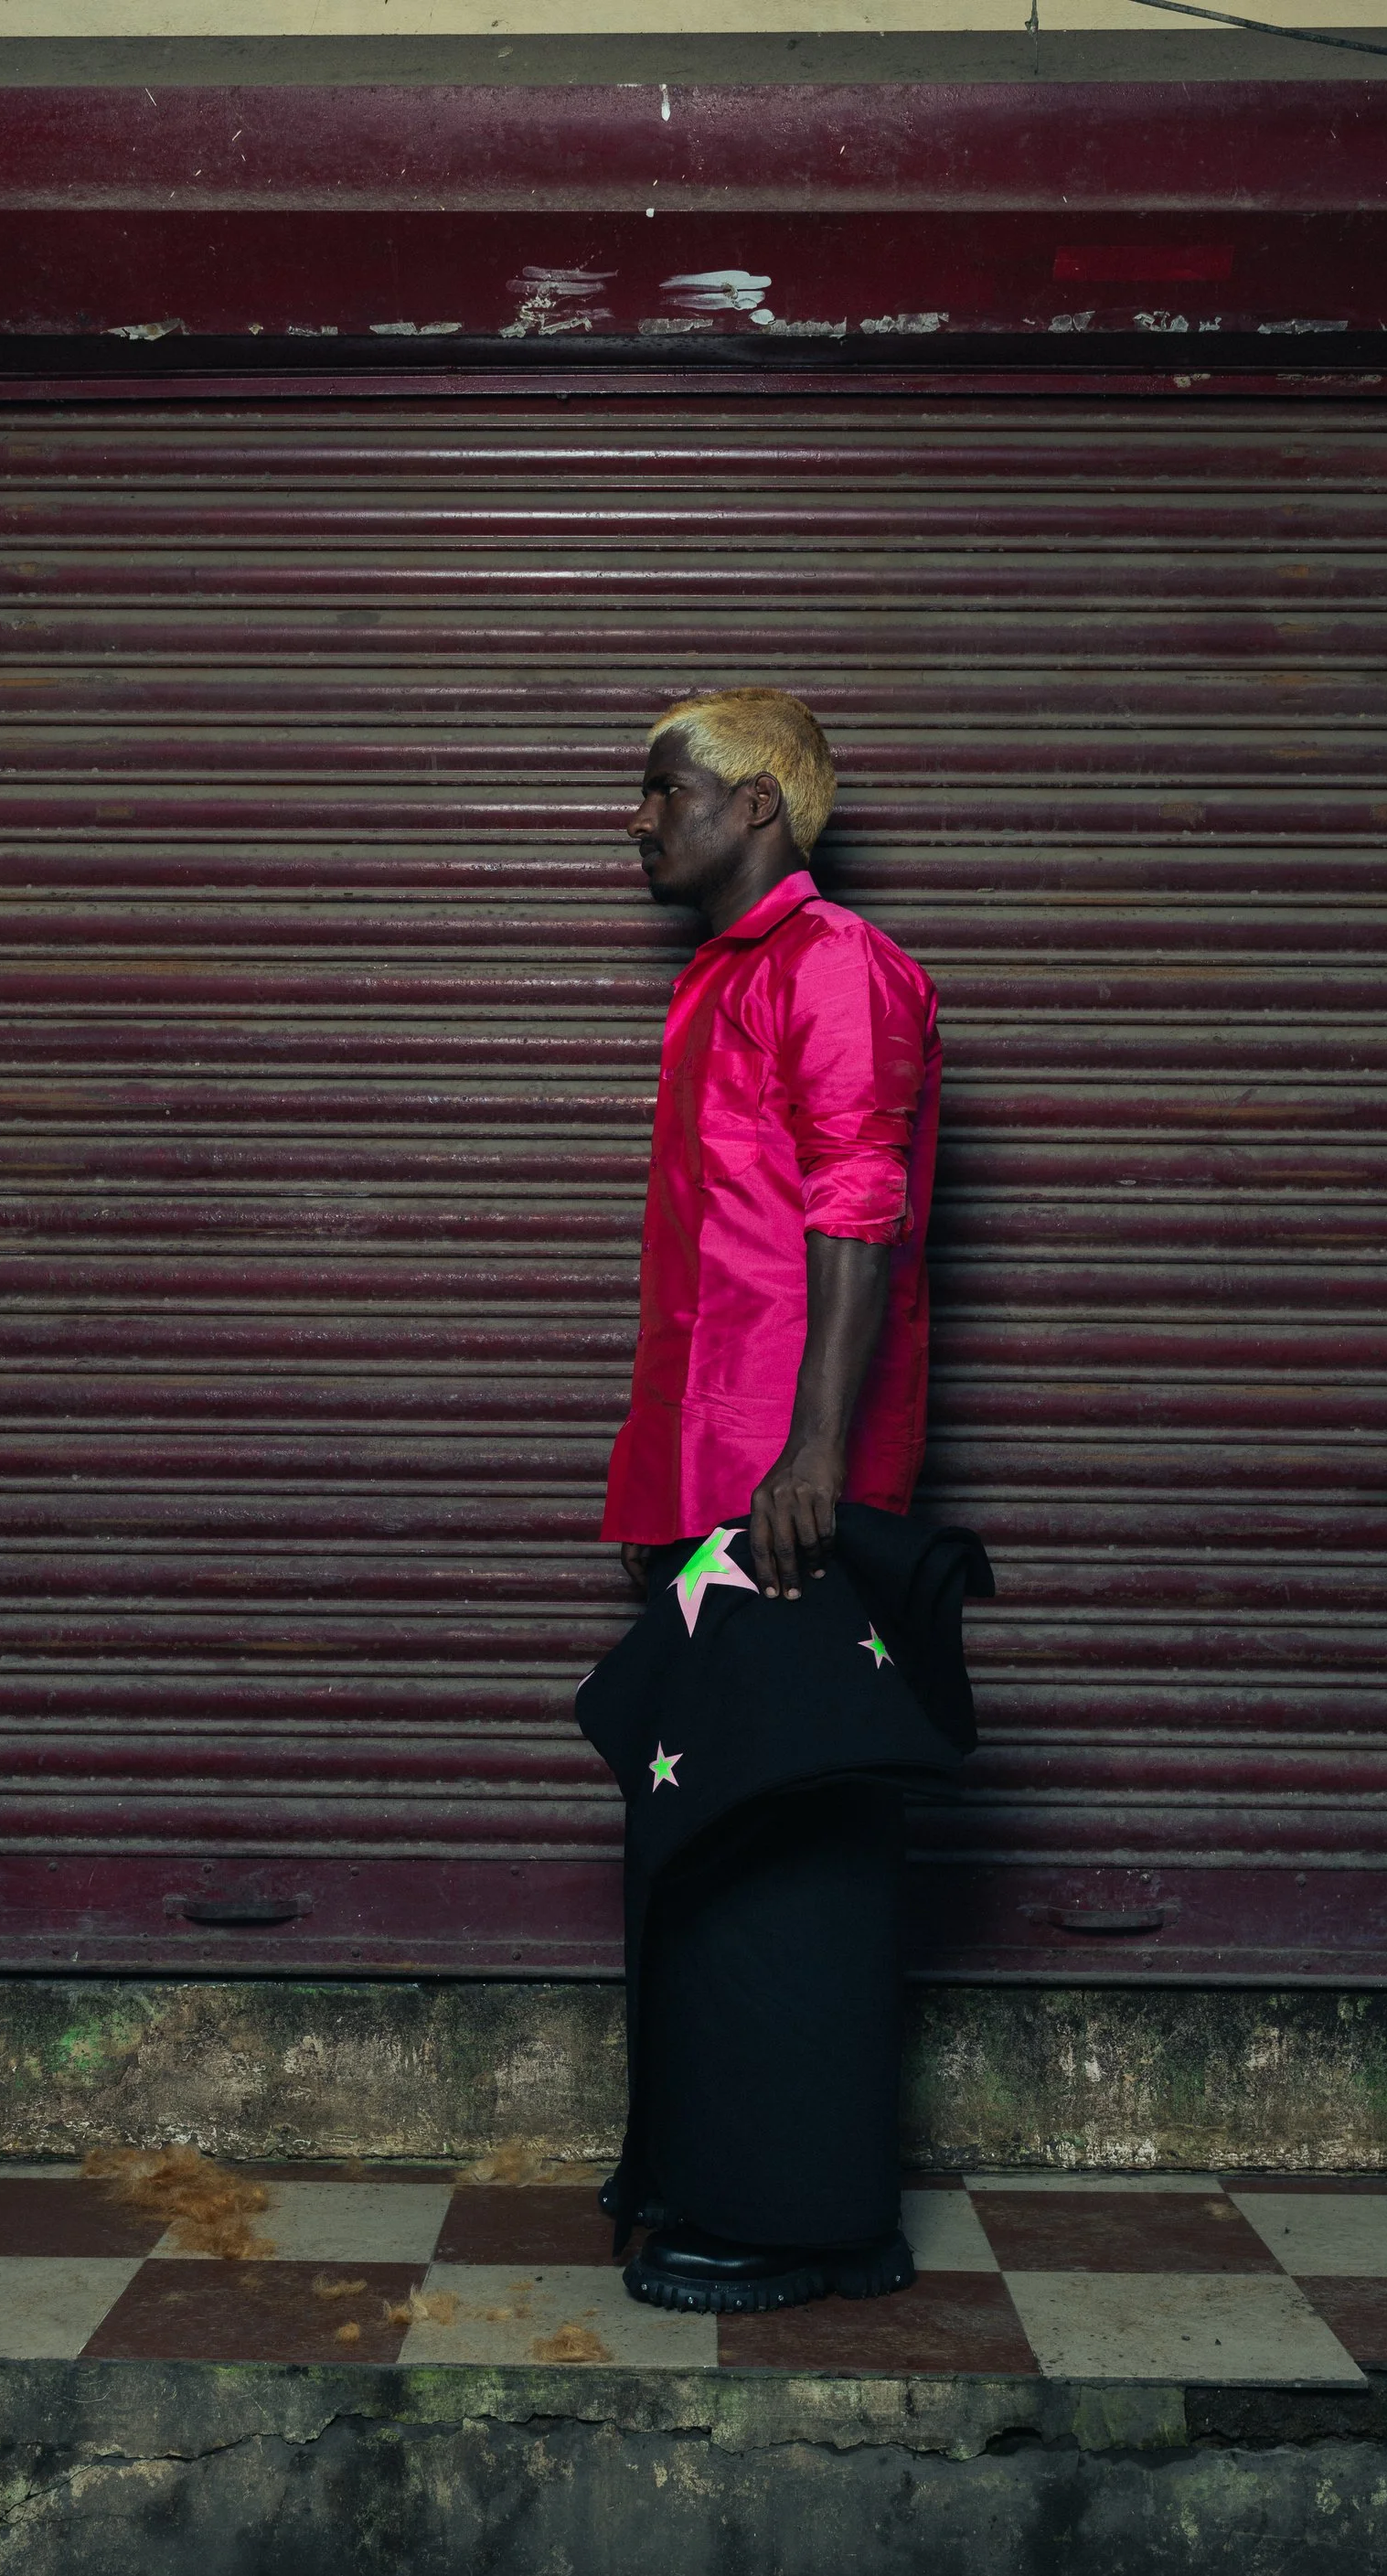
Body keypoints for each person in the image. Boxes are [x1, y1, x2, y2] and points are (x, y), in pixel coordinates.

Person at [598, 687, 946, 2314]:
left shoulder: (835, 970)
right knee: (713, 1834)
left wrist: (815, 1455)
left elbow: (858, 1205)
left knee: (790, 1850)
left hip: (787, 1489)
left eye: (663, 793)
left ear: (755, 809)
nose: (636, 820)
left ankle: (813, 2223)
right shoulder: (723, 982)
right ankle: (720, 2175)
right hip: (707, 1468)